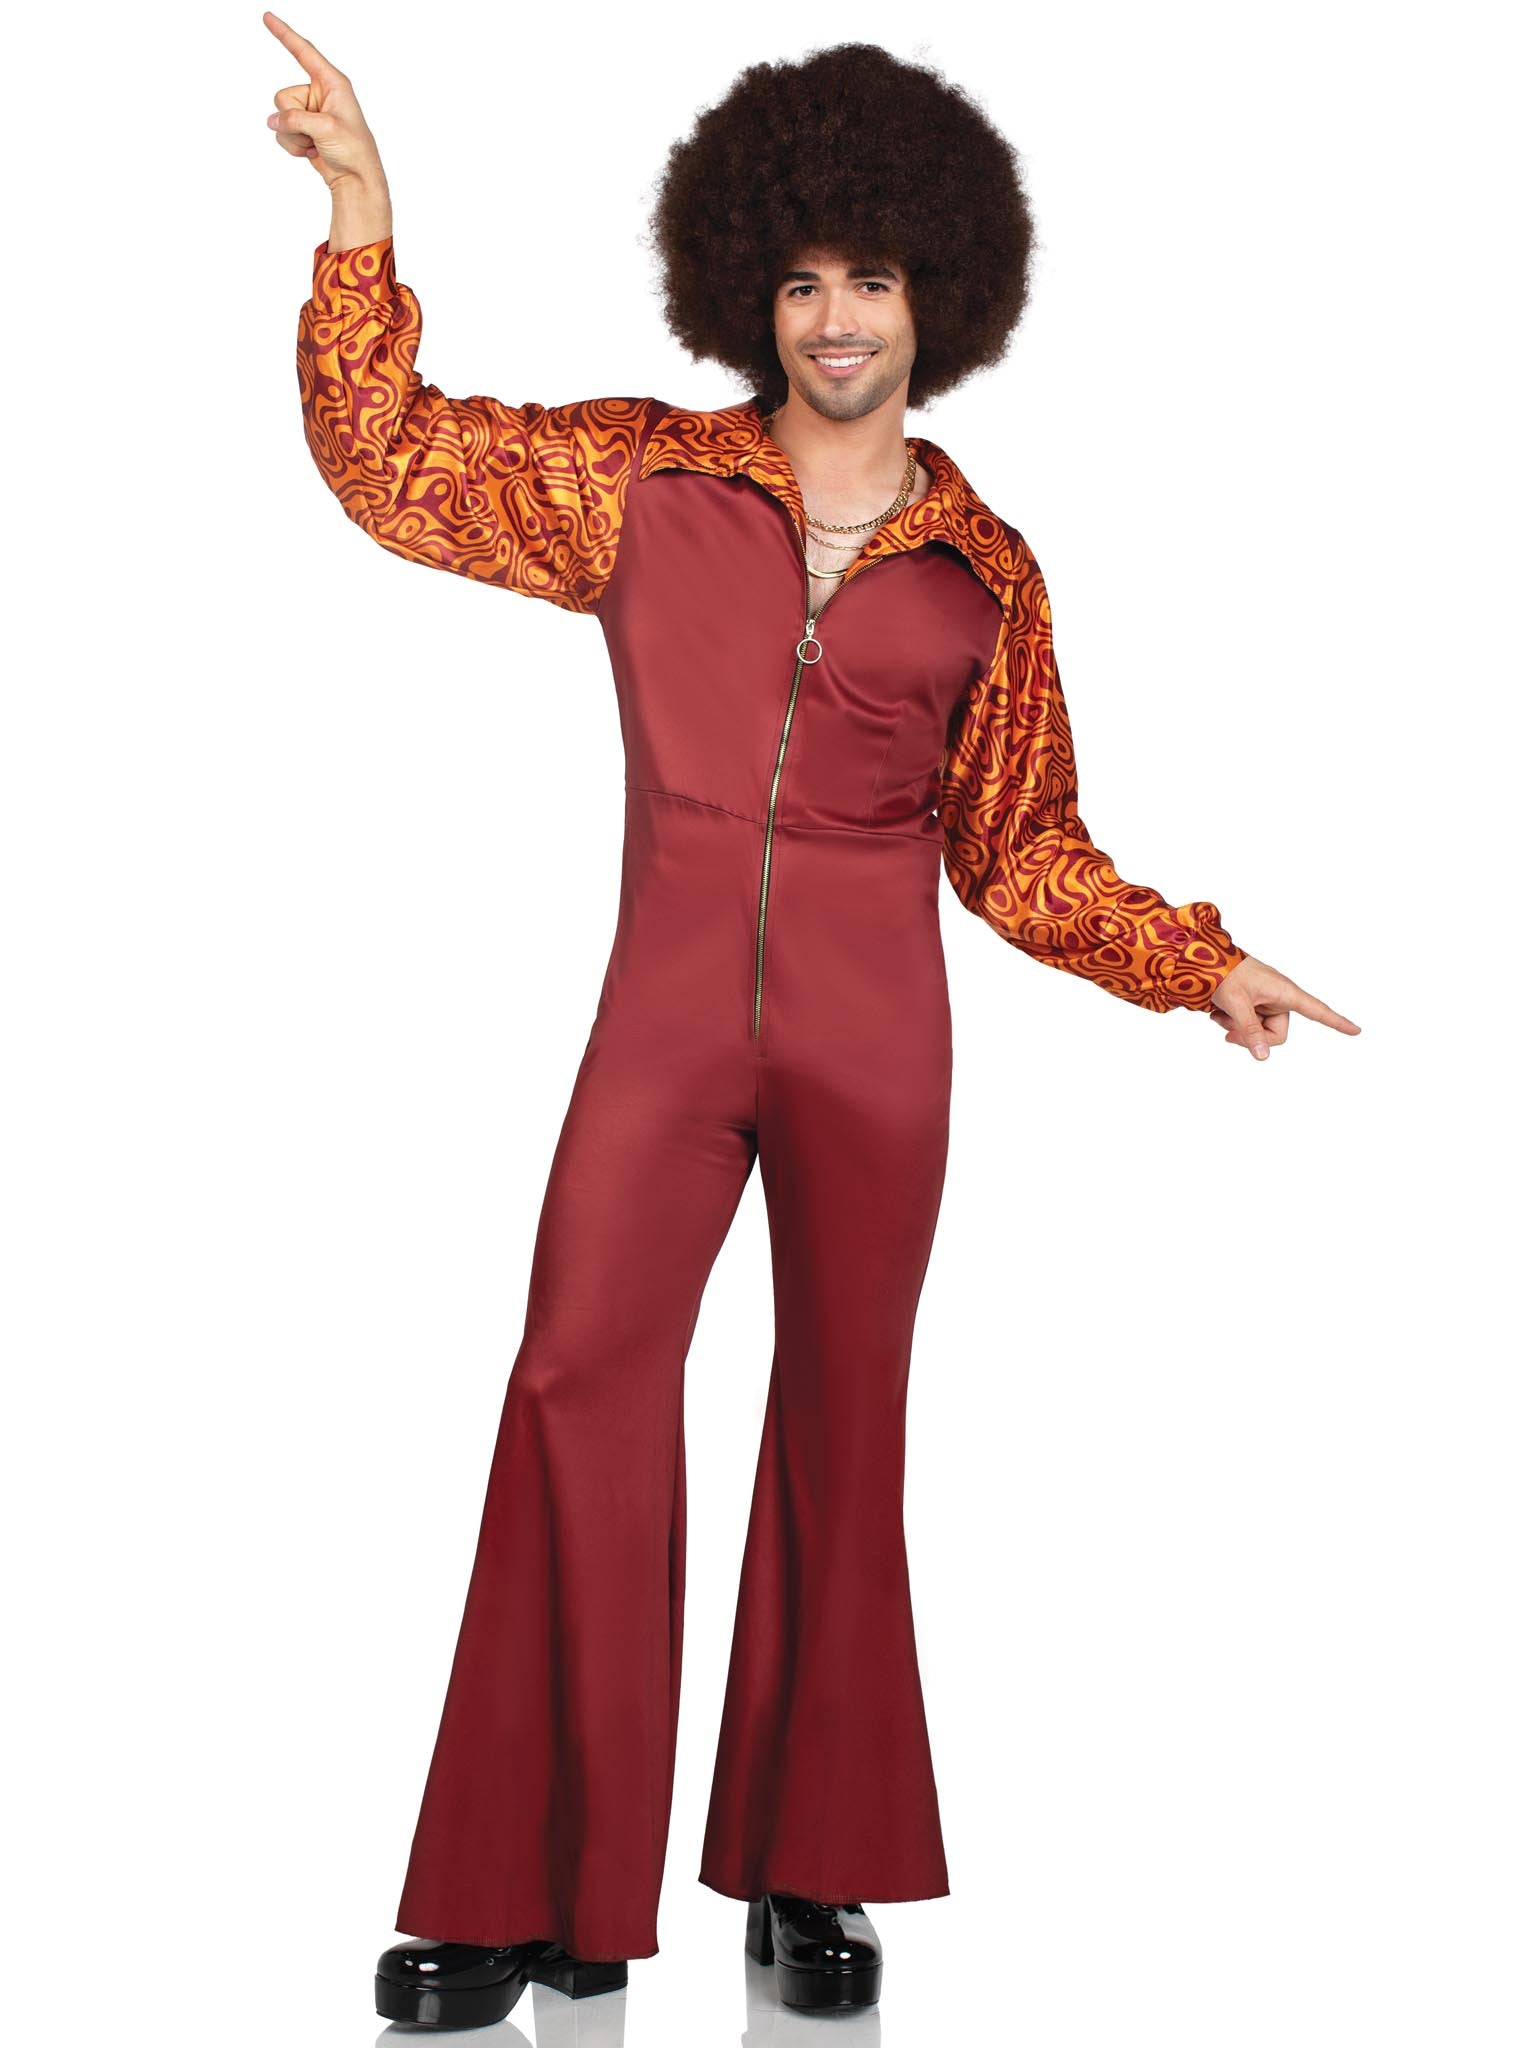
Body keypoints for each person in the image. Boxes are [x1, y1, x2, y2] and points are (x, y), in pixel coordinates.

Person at [266, 14, 1360, 2028]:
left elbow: (1023, 847)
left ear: (939, 298)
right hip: (665, 1023)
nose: (836, 317)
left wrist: (1194, 959)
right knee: (576, 1382)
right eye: (800, 280)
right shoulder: (641, 482)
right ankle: (528, 1891)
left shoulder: (987, 577)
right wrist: (361, 212)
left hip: (878, 1045)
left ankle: (812, 1871)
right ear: (745, 292)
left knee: (845, 1426)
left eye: (871, 278)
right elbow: (391, 460)